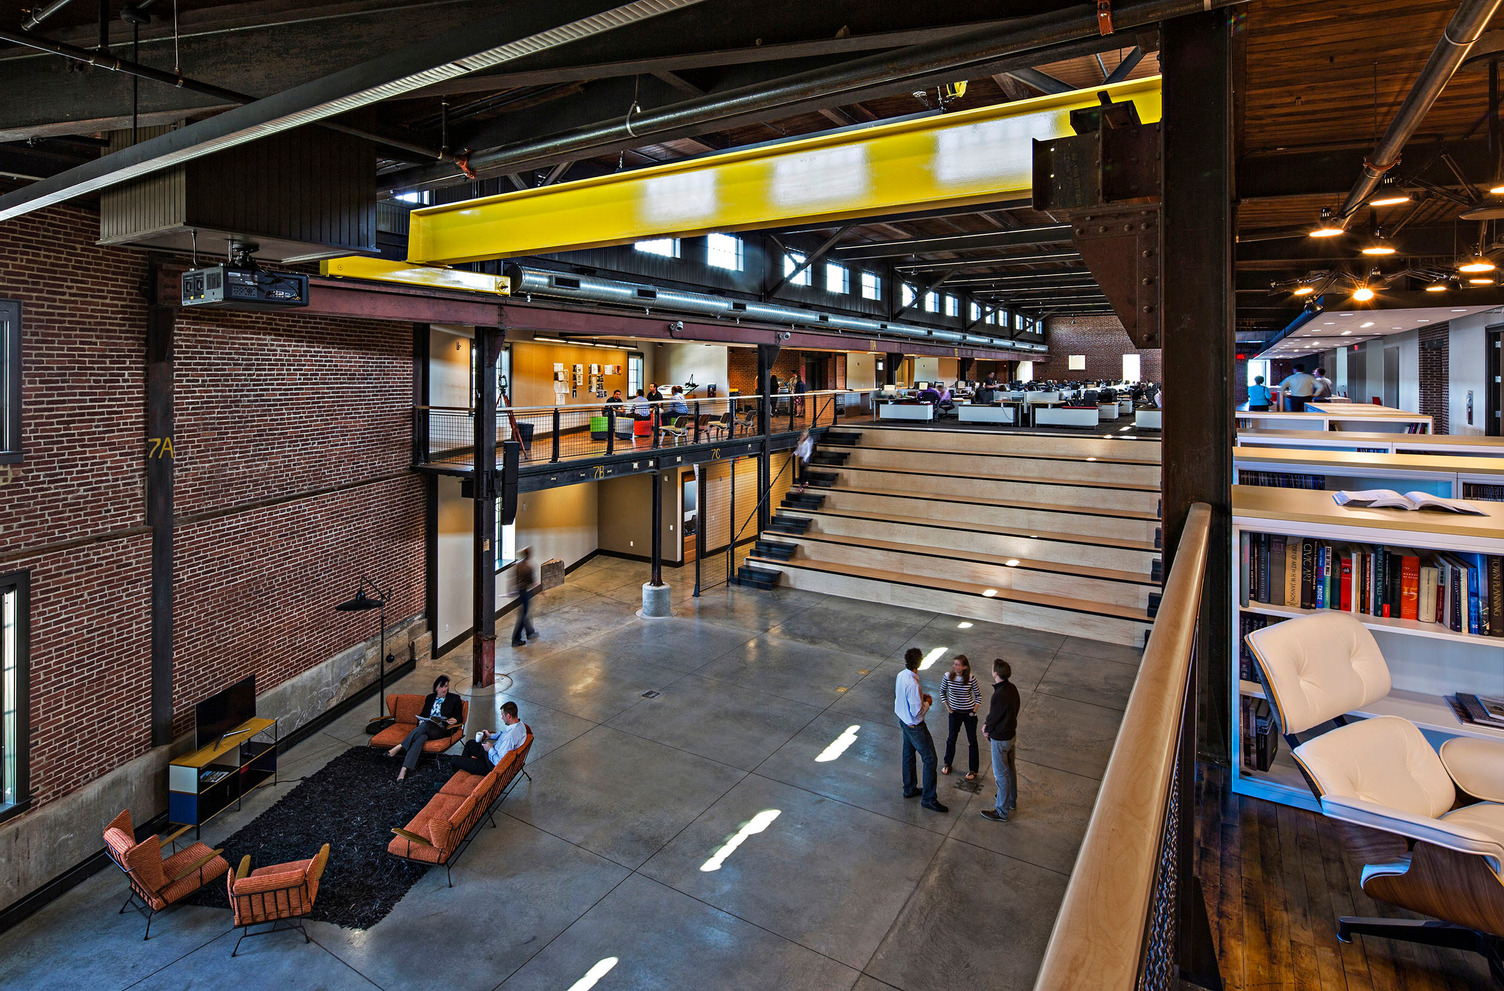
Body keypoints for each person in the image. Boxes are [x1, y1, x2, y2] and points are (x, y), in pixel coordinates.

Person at [895, 647, 947, 813]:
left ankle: (909, 788)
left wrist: (920, 699)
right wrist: (928, 703)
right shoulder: (914, 684)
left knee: (908, 755)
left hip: (903, 721)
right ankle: (929, 799)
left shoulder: (901, 675)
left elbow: (903, 698)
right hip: (915, 726)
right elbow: (917, 711)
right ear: (919, 662)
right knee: (930, 759)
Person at [387, 675, 463, 781]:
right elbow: (423, 714)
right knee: (421, 738)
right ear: (436, 688)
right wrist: (421, 720)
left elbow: (460, 716)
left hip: (442, 729)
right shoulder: (430, 698)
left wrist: (455, 719)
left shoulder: (454, 699)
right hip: (427, 727)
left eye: (446, 686)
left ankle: (400, 746)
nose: (445, 689)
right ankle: (403, 770)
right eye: (442, 686)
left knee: (426, 725)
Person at [981, 658, 1020, 822]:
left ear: (995, 673)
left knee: (1000, 775)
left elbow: (993, 716)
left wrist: (986, 728)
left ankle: (1001, 811)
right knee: (1010, 768)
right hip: (1011, 735)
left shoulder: (999, 694)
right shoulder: (1012, 688)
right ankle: (1010, 800)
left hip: (1000, 739)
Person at [446, 701, 527, 775]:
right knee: (470, 744)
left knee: (454, 759)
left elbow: (499, 762)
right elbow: (503, 734)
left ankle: (461, 772)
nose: (502, 718)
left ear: (508, 716)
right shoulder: (520, 725)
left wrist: (490, 749)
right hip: (491, 754)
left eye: (503, 715)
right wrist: (490, 736)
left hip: (490, 765)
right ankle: (465, 767)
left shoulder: (509, 738)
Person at [939, 654, 981, 781]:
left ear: (964, 667)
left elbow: (978, 695)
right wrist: (948, 708)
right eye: (954, 664)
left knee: (972, 741)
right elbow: (942, 691)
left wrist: (974, 711)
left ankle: (973, 770)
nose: (954, 666)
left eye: (957, 664)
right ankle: (947, 763)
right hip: (954, 713)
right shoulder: (947, 676)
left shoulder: (970, 678)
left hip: (968, 713)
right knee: (951, 738)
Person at [510, 546, 539, 647]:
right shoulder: (528, 568)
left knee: (524, 613)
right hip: (525, 592)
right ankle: (516, 639)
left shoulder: (518, 565)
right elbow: (532, 582)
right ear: (529, 555)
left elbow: (514, 579)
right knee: (523, 616)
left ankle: (530, 632)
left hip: (519, 591)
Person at [793, 428, 814, 494]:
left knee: (803, 471)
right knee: (801, 470)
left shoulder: (807, 443)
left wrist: (804, 459)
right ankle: (803, 482)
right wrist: (794, 453)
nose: (802, 436)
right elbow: (798, 450)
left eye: (803, 435)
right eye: (801, 435)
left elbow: (808, 452)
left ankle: (802, 484)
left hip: (805, 458)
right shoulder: (800, 442)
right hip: (800, 457)